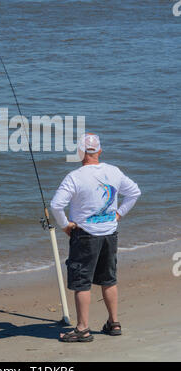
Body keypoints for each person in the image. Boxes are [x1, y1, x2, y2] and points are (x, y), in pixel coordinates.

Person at [50, 133, 141, 342]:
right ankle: (114, 322)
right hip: (110, 233)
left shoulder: (75, 176)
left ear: (80, 152)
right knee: (109, 279)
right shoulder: (114, 171)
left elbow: (56, 205)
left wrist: (65, 226)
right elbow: (134, 192)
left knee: (82, 283)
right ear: (99, 151)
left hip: (85, 236)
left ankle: (82, 329)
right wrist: (118, 214)